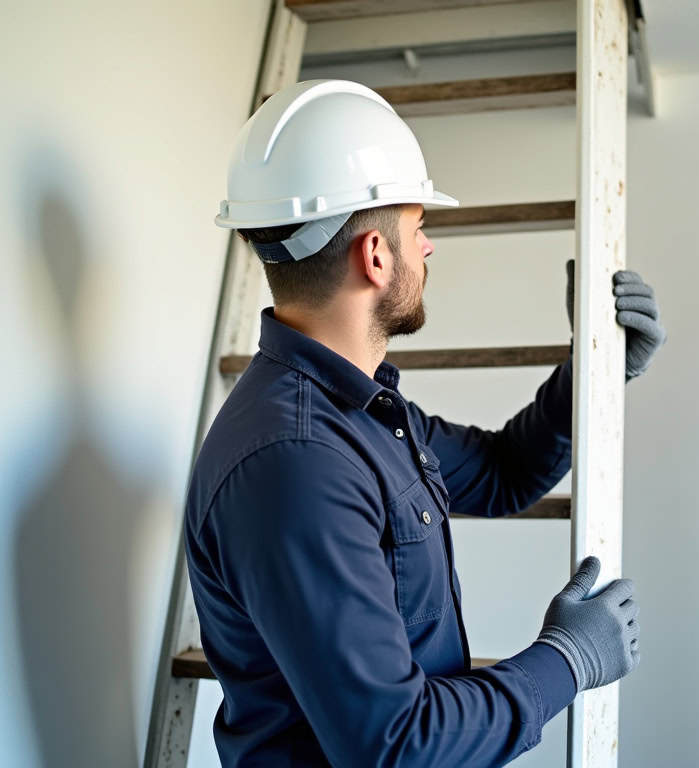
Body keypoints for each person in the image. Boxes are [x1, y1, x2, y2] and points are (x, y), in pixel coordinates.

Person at [185, 80, 666, 767]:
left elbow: (503, 473)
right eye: (418, 229)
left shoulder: (359, 414)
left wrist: (596, 367)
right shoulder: (296, 459)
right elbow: (395, 747)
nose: (430, 249)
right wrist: (564, 661)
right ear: (376, 255)